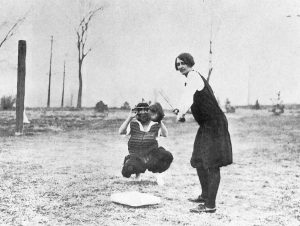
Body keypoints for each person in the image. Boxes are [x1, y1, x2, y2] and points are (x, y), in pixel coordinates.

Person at [173, 53, 232, 213]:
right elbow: (186, 97)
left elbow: (187, 98)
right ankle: (205, 195)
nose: (180, 67)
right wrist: (179, 110)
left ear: (190, 63)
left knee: (212, 164)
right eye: (178, 64)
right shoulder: (190, 79)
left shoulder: (193, 76)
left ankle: (210, 205)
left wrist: (181, 113)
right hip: (206, 125)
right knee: (198, 160)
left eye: (183, 63)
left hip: (215, 125)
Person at [118, 102, 173, 185]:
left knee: (166, 155)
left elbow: (165, 134)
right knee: (128, 169)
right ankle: (138, 174)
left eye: (145, 110)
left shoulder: (155, 124)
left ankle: (159, 176)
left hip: (152, 156)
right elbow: (121, 132)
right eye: (141, 110)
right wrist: (130, 117)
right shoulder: (133, 124)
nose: (143, 112)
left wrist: (159, 120)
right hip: (136, 156)